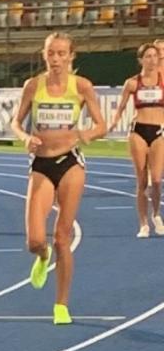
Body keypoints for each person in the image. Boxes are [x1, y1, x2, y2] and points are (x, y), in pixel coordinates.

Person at [11, 32, 106, 325]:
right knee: (35, 240)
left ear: (71, 57)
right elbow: (15, 121)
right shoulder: (33, 86)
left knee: (63, 237)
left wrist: (83, 134)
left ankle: (61, 305)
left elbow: (101, 125)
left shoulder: (81, 86)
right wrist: (25, 136)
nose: (56, 59)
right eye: (51, 53)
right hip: (41, 163)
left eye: (61, 54)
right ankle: (42, 257)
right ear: (44, 55)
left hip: (70, 163)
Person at [108, 41, 164, 237]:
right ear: (141, 60)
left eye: (155, 56)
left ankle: (156, 214)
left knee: (156, 180)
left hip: (159, 131)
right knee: (141, 181)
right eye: (148, 56)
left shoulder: (163, 80)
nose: (152, 60)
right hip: (138, 130)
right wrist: (114, 122)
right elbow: (121, 107)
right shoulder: (132, 83)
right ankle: (143, 224)